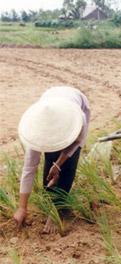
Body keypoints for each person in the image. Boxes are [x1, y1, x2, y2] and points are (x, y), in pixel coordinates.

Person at [13, 86, 90, 233]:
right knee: (49, 176)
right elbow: (29, 168)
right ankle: (51, 202)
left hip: (74, 104)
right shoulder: (35, 132)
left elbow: (76, 143)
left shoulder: (79, 119)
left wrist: (59, 164)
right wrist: (22, 207)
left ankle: (58, 209)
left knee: (68, 165)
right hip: (51, 100)